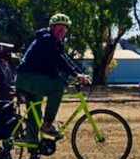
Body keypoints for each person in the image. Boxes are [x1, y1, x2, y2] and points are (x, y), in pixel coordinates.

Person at [15, 13, 91, 142]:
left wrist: (80, 73)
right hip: (27, 78)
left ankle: (32, 154)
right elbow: (58, 60)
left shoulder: (55, 43)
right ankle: (47, 124)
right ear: (52, 28)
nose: (61, 32)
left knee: (35, 115)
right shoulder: (46, 39)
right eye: (59, 28)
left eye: (64, 29)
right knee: (57, 88)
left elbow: (66, 59)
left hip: (33, 79)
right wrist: (75, 75)